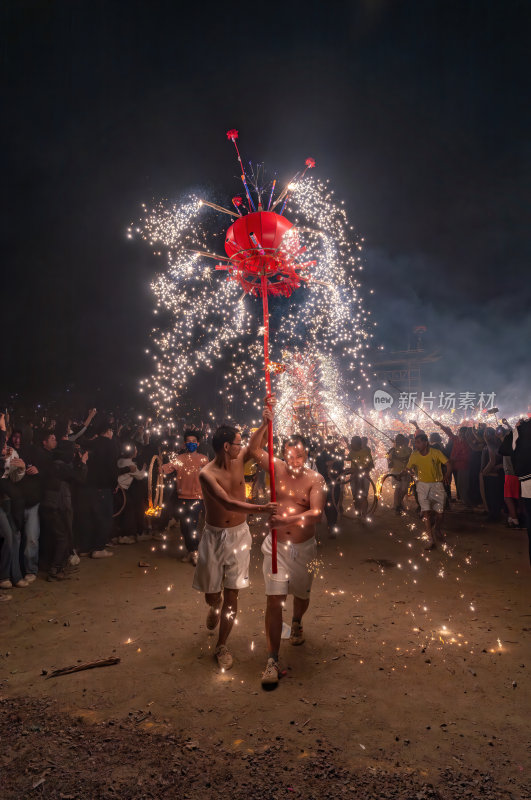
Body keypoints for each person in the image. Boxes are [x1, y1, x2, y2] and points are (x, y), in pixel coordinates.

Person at [193, 408, 277, 671]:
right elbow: (227, 501)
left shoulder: (240, 456)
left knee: (233, 594)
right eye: (237, 443)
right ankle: (213, 605)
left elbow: (255, 446)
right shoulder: (207, 473)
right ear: (226, 446)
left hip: (239, 535)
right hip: (214, 536)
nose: (242, 448)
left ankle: (222, 645)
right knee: (213, 596)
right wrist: (262, 509)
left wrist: (265, 422)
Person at [249, 430, 326, 688]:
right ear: (283, 454)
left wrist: (287, 519)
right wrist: (264, 422)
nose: (296, 460)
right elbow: (252, 450)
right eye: (291, 455)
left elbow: (316, 514)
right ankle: (272, 659)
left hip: (305, 548)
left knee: (302, 596)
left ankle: (296, 621)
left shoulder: (316, 478)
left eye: (301, 455)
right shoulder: (276, 468)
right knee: (274, 600)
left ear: (306, 455)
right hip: (276, 547)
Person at [162, 429, 208, 565]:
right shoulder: (179, 459)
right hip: (182, 498)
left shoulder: (203, 459)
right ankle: (191, 551)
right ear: (184, 443)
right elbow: (166, 468)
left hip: (197, 498)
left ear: (198, 443)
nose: (191, 443)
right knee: (184, 526)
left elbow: (210, 476)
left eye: (194, 441)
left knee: (191, 524)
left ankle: (195, 551)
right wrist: (159, 466)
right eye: (189, 441)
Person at [407, 432, 452, 549]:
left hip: (437, 485)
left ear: (425, 443)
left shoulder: (436, 453)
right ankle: (430, 539)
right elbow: (408, 468)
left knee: (440, 513)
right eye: (415, 443)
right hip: (422, 486)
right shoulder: (414, 455)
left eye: (418, 442)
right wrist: (409, 473)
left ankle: (437, 529)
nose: (416, 445)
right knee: (426, 513)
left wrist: (446, 475)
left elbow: (448, 464)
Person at [345, 435, 374, 520]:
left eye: (352, 443)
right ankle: (358, 513)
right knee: (355, 496)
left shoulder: (366, 452)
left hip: (364, 477)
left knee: (364, 496)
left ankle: (364, 515)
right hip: (354, 478)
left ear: (357, 444)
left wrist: (359, 470)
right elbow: (347, 458)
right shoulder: (352, 452)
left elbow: (371, 465)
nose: (351, 444)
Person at [386, 434, 412, 514]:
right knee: (398, 489)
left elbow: (410, 459)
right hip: (395, 472)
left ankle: (398, 504)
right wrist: (390, 461)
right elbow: (388, 460)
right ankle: (397, 506)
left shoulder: (408, 450)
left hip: (405, 472)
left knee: (404, 490)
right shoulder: (392, 450)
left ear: (403, 441)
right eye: (397, 440)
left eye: (400, 440)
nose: (398, 441)